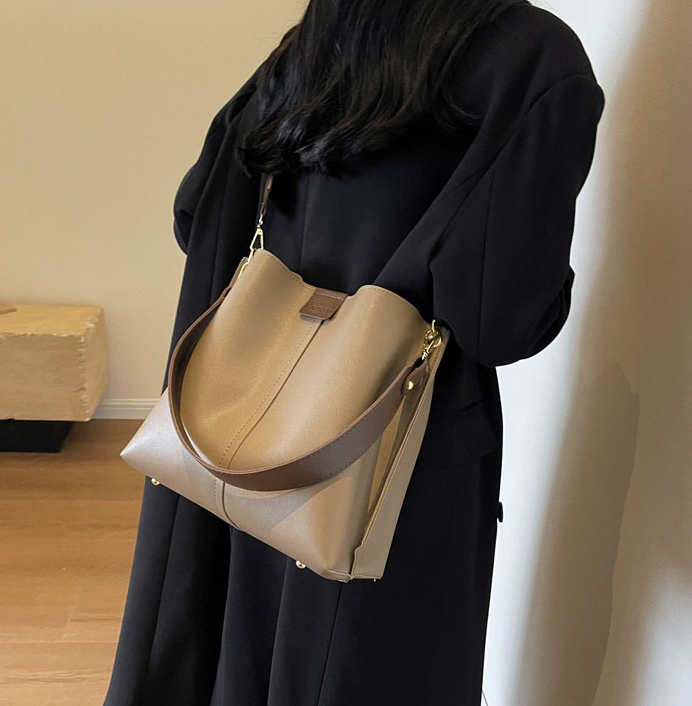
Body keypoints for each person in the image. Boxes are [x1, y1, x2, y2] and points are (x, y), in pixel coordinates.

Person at [103, 1, 605, 704]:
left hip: (242, 431)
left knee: (239, 653)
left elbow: (197, 215)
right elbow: (499, 319)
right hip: (392, 466)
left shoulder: (322, 37)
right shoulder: (531, 56)